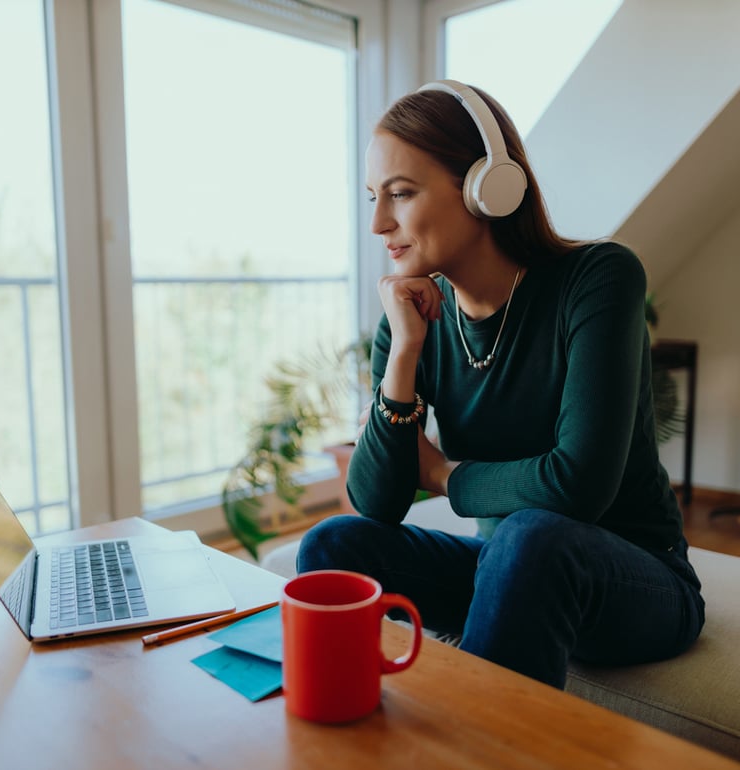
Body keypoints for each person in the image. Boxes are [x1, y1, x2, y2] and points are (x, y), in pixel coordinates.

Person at [295, 80, 705, 689]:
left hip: (637, 580)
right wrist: (404, 355)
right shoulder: (411, 318)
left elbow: (578, 486)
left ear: (486, 187)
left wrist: (441, 475)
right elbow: (377, 504)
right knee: (333, 547)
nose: (379, 222)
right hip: (508, 567)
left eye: (401, 194)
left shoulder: (598, 279)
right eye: (373, 197)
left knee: (532, 535)